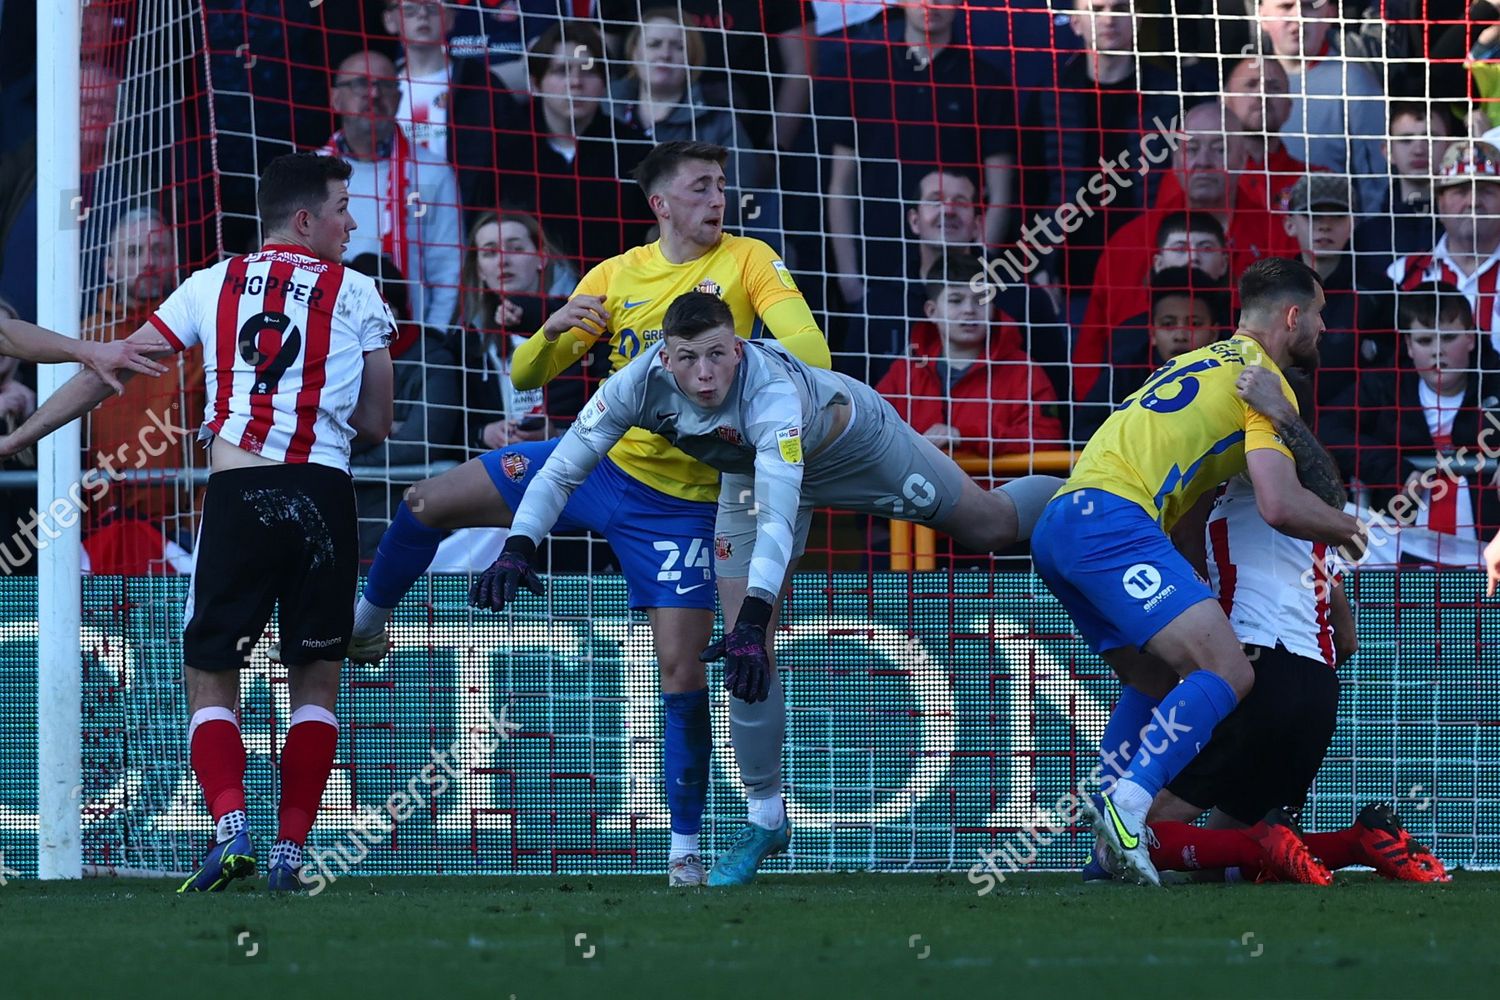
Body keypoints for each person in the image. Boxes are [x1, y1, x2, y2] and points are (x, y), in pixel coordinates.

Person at [348, 140, 831, 889]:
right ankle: (368, 619)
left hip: (684, 503)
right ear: (660, 204)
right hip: (600, 466)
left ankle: (684, 850)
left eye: (722, 185)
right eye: (702, 186)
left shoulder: (750, 262)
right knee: (427, 501)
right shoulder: (615, 276)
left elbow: (812, 351)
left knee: (680, 672)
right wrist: (552, 331)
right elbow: (526, 373)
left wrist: (758, 361)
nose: (719, 198)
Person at [470, 290, 1066, 885]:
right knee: (741, 649)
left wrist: (758, 613)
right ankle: (765, 817)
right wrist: (519, 546)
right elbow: (564, 468)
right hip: (750, 479)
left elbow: (783, 511)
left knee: (990, 527)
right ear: (664, 357)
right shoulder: (632, 384)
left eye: (716, 356)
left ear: (736, 347)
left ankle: (1086, 493)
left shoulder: (772, 395)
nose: (703, 375)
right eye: (687, 359)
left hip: (857, 450)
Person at [0, 152, 396, 893]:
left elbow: (105, 370)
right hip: (324, 498)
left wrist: (23, 439)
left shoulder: (210, 284)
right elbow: (377, 420)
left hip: (239, 495)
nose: (353, 220)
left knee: (210, 671)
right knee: (316, 679)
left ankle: (230, 828)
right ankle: (291, 851)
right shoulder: (361, 292)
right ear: (306, 219)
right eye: (344, 206)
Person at [1030, 256, 1366, 887]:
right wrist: (1353, 532)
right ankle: (1129, 811)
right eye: (1319, 314)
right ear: (1293, 316)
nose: (1324, 328)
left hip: (1061, 522)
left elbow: (1184, 514)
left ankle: (1105, 848)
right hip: (1112, 521)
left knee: (1158, 673)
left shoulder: (1192, 361)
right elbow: (1280, 504)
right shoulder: (1262, 381)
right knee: (1226, 670)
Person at [1076, 100, 1302, 401]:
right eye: (1191, 149)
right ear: (1174, 160)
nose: (1204, 161)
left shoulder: (1280, 240)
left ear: (1245, 157)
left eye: (1219, 149)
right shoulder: (1129, 243)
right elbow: (1091, 350)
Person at [1325, 283, 1500, 566]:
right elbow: (1327, 430)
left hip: (1490, 556)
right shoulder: (1384, 386)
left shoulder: (1495, 379)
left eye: (1450, 337)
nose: (1438, 351)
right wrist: (1393, 469)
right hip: (1401, 558)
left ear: (1471, 338)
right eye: (1425, 341)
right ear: (1408, 345)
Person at [84, 207, 206, 573]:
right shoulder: (84, 338)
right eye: (135, 252)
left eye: (160, 251)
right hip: (95, 530)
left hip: (184, 531)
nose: (150, 262)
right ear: (109, 266)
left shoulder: (199, 335)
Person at [483, 22, 655, 270]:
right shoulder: (504, 151)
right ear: (535, 83)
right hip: (529, 300)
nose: (575, 82)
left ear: (605, 82)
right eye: (561, 71)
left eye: (588, 71)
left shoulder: (635, 151)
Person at [875, 251, 1062, 462]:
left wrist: (965, 435)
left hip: (998, 493)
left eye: (980, 300)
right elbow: (874, 431)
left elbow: (1048, 438)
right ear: (931, 311)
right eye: (956, 300)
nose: (969, 310)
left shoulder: (1024, 370)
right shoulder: (906, 370)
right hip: (915, 492)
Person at [324, 50, 463, 330]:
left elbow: (448, 269)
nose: (373, 94)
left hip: (410, 342)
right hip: (325, 337)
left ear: (399, 98)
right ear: (335, 98)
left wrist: (432, 340)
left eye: (385, 85)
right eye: (360, 84)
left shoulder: (433, 172)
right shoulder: (310, 175)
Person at [608, 8, 770, 239]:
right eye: (654, 44)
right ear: (634, 52)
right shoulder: (604, 108)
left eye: (678, 47)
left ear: (692, 58)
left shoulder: (721, 121)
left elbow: (740, 197)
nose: (665, 54)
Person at [1073, 210, 1232, 402]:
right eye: (1180, 249)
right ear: (1158, 262)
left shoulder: (1243, 329)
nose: (1193, 257)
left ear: (1224, 264)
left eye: (1206, 249)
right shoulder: (1130, 336)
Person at [1256, 0, 1388, 216]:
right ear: (1261, 15)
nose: (1298, 18)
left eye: (1309, 6)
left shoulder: (1355, 84)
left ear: (1330, 14)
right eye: (1286, 6)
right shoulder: (1243, 85)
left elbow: (1375, 188)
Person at [1075, 266, 1229, 440]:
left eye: (1194, 324)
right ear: (1152, 333)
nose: (1180, 336)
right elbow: (1083, 432)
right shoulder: (1125, 372)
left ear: (1213, 334)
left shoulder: (1231, 373)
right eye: (1168, 324)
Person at [1388, 140, 1500, 361]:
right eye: (1461, 190)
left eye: (1486, 190)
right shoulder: (1402, 274)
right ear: (1440, 202)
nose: (1473, 202)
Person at [1223, 55, 1322, 211]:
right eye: (1250, 85)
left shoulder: (1317, 182)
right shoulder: (1199, 179)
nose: (1262, 95)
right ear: (1225, 103)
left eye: (1274, 87)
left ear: (1289, 106)